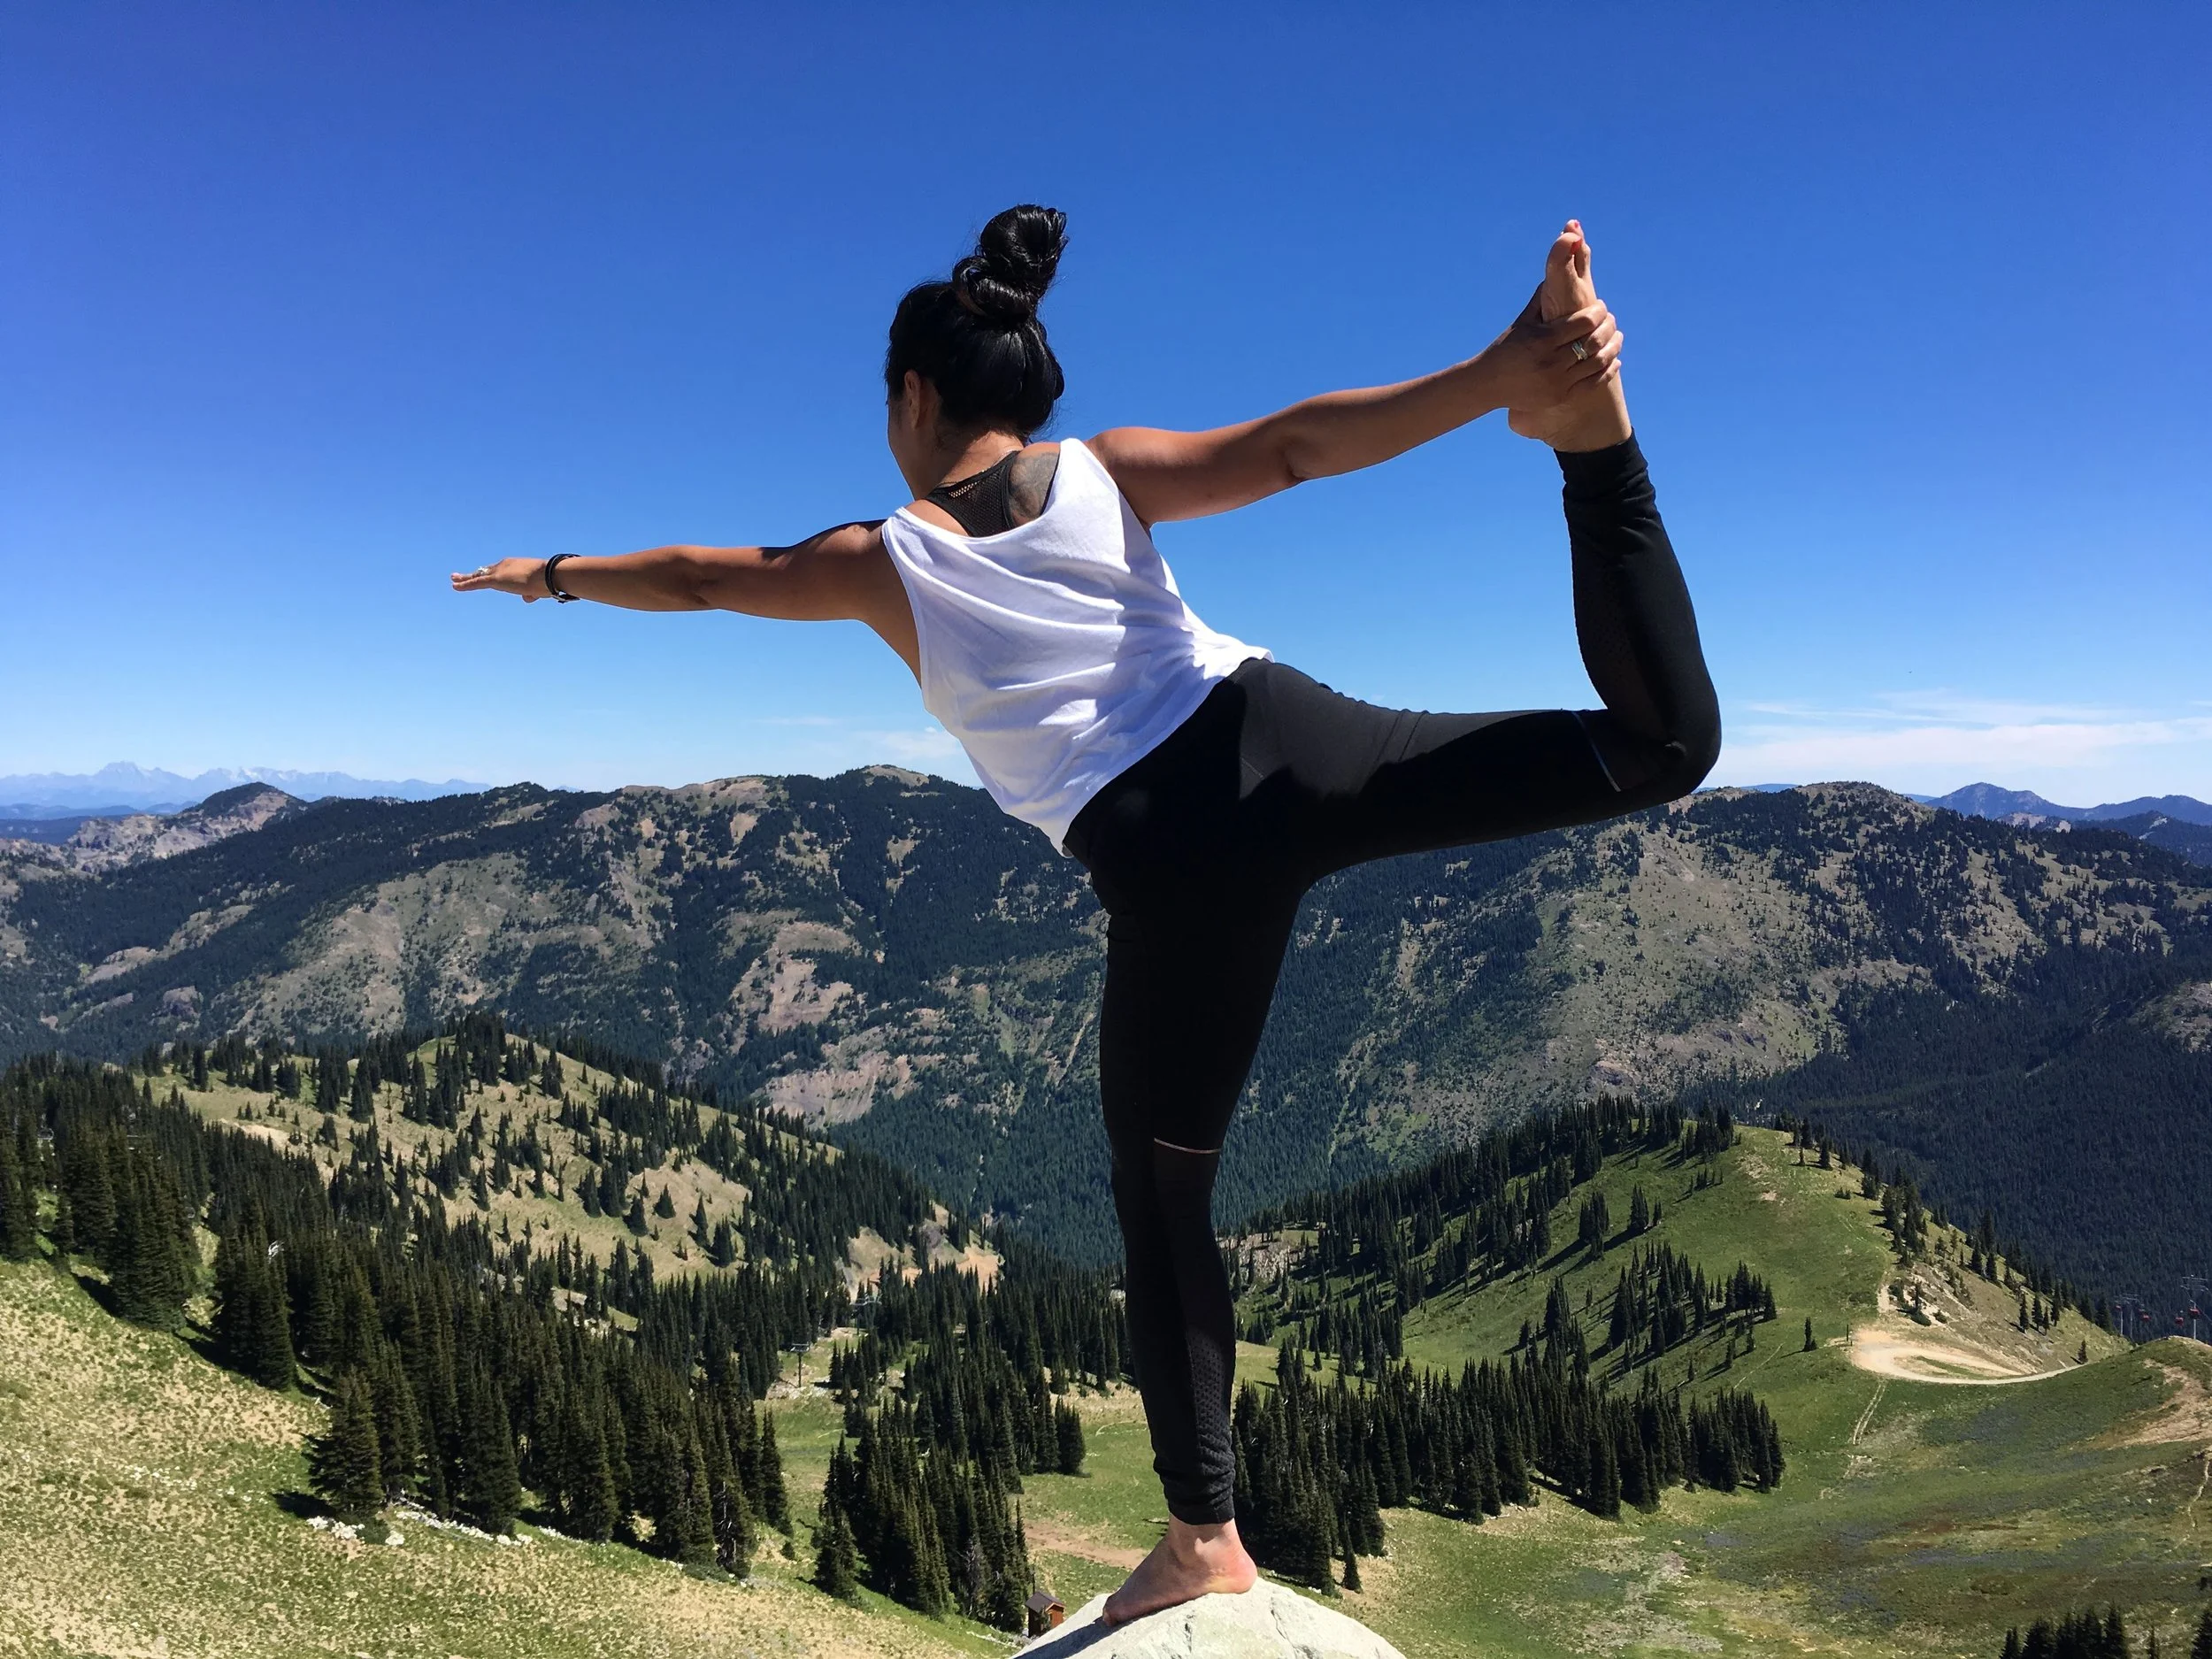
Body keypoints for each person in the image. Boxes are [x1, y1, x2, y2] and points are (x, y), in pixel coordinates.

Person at [453, 204, 1719, 1625]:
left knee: (1163, 1189)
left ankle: (1203, 1541)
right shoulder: (1103, 474)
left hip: (1175, 863)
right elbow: (1296, 446)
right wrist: (1498, 376)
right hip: (1285, 734)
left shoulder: (888, 556)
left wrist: (550, 576)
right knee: (1660, 746)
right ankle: (1593, 448)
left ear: (914, 398)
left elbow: (700, 576)